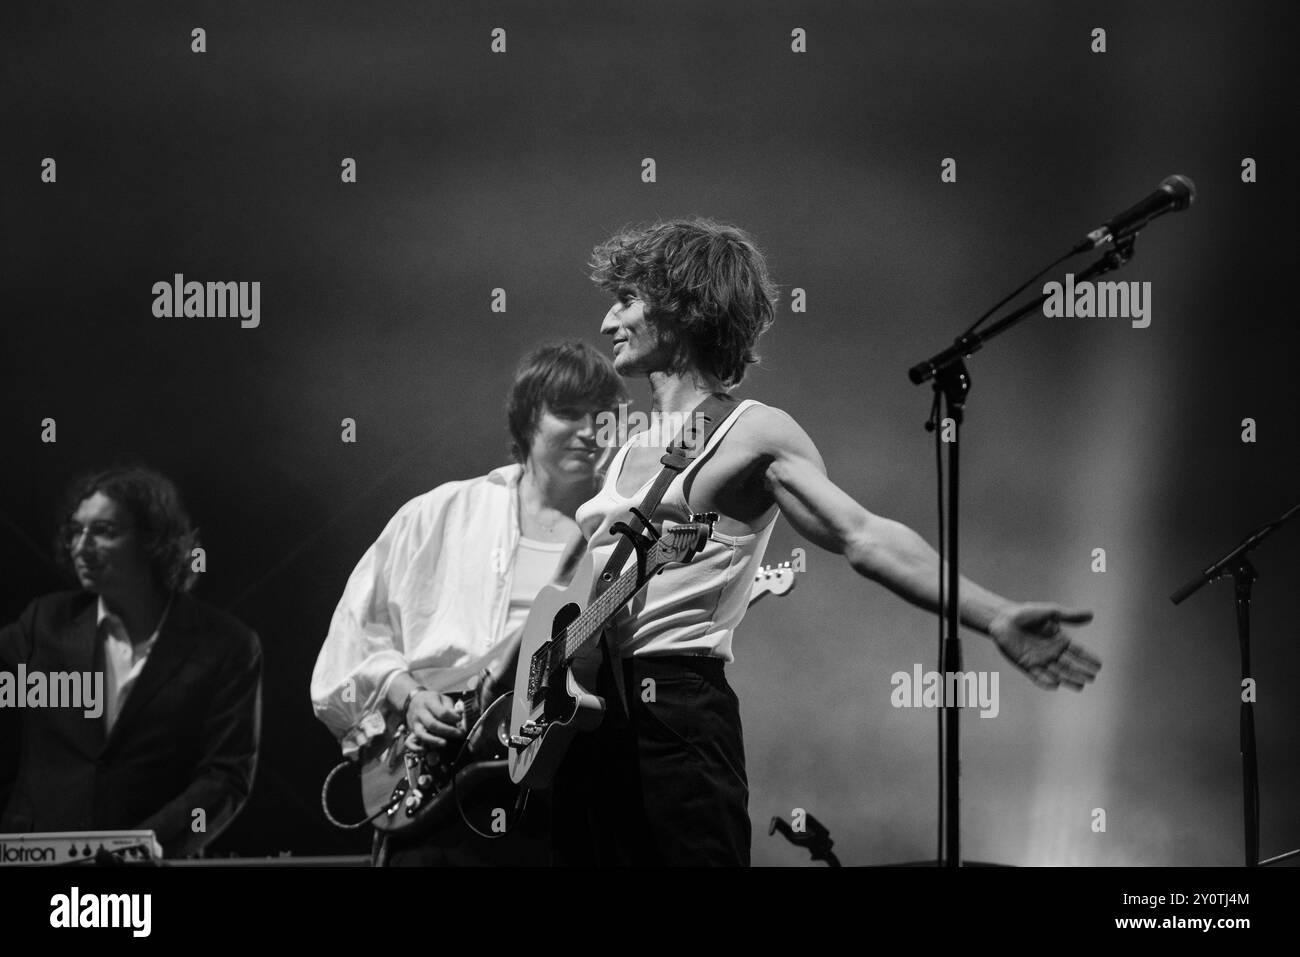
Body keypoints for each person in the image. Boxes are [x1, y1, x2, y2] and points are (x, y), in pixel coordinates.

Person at [548, 218, 1103, 866]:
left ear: (681, 306)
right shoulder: (624, 446)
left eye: (626, 300)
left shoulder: (751, 431)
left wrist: (995, 613)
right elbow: (565, 603)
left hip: (675, 714)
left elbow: (863, 535)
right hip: (585, 716)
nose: (609, 320)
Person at [311, 341, 626, 865]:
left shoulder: (613, 538)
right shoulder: (440, 514)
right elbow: (357, 628)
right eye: (569, 413)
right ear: (528, 419)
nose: (590, 432)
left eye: (604, 417)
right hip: (432, 785)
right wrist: (407, 696)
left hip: (553, 791)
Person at [0, 466, 262, 859]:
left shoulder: (227, 644)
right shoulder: (44, 623)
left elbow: (225, 779)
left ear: (153, 541)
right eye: (76, 531)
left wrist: (134, 849)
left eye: (103, 531)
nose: (80, 546)